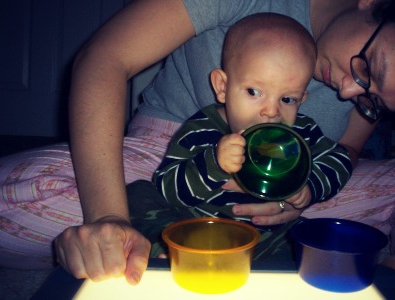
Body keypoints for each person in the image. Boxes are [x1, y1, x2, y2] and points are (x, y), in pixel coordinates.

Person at [0, 0, 395, 298]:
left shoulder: (354, 96)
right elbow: (104, 57)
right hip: (164, 159)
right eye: (367, 69)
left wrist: (304, 196)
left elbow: (343, 156)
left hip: (292, 192)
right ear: (372, 1)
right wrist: (109, 217)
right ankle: (129, 239)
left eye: (371, 100)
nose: (347, 92)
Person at [147, 13, 351, 255]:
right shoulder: (202, 129)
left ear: (302, 99)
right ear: (222, 87)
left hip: (269, 237)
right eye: (254, 92)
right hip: (201, 229)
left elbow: (340, 161)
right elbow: (167, 187)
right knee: (140, 196)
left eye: (287, 99)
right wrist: (213, 163)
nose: (271, 112)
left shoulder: (299, 133)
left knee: (317, 240)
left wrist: (310, 187)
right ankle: (168, 250)